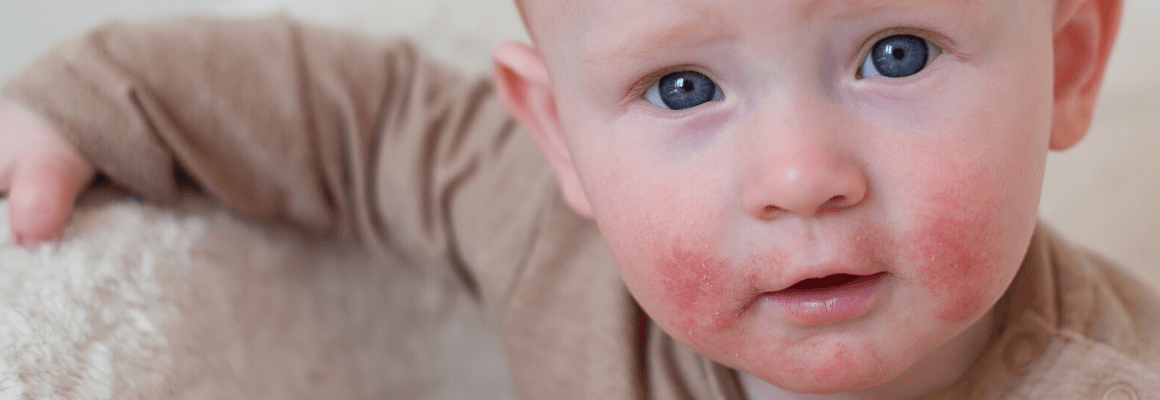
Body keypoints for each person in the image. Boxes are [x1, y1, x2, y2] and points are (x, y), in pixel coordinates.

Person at [1, 0, 1157, 398]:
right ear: (555, 129)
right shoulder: (550, 234)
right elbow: (353, 113)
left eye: (895, 52)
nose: (802, 177)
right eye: (683, 85)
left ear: (1065, 65)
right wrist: (90, 101)